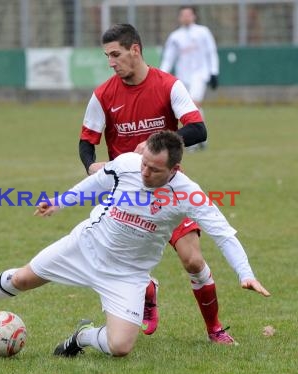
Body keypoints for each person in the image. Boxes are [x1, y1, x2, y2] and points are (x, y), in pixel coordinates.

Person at [0, 131, 270, 358]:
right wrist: (59, 201)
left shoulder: (189, 193)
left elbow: (224, 233)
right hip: (86, 247)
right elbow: (94, 183)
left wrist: (245, 272)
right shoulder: (127, 164)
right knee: (23, 279)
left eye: (154, 170)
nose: (144, 173)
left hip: (127, 274)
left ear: (175, 169)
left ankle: (81, 338)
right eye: (144, 164)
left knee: (121, 347)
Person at [78, 23, 232, 344]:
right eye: (107, 56)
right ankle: (146, 288)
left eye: (116, 54)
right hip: (126, 197)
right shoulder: (104, 94)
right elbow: (86, 141)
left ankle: (214, 329)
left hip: (168, 190)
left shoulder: (168, 85)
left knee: (192, 259)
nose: (111, 62)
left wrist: (156, 146)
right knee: (113, 261)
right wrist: (91, 165)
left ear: (136, 50)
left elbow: (198, 130)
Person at [160, 6, 219, 111]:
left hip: (200, 73)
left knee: (194, 102)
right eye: (183, 15)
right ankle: (198, 127)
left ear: (194, 16)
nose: (186, 17)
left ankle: (197, 127)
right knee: (186, 107)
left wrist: (214, 72)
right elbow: (168, 59)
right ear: (179, 18)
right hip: (182, 76)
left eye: (189, 15)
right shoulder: (175, 36)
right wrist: (161, 75)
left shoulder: (203, 32)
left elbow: (211, 52)